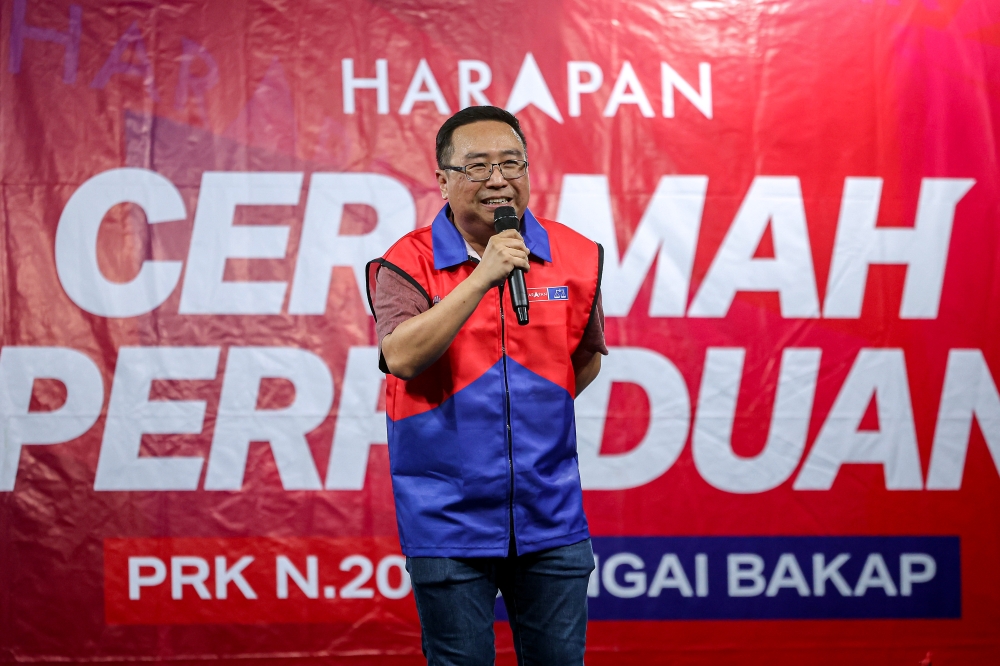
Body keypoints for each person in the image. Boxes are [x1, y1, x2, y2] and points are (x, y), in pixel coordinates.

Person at [366, 105, 608, 666]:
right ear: (443, 179)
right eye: (477, 167)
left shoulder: (576, 256)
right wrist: (482, 277)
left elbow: (585, 358)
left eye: (511, 163)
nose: (498, 179)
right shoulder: (405, 262)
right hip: (447, 517)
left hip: (551, 517)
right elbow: (400, 356)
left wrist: (530, 413)